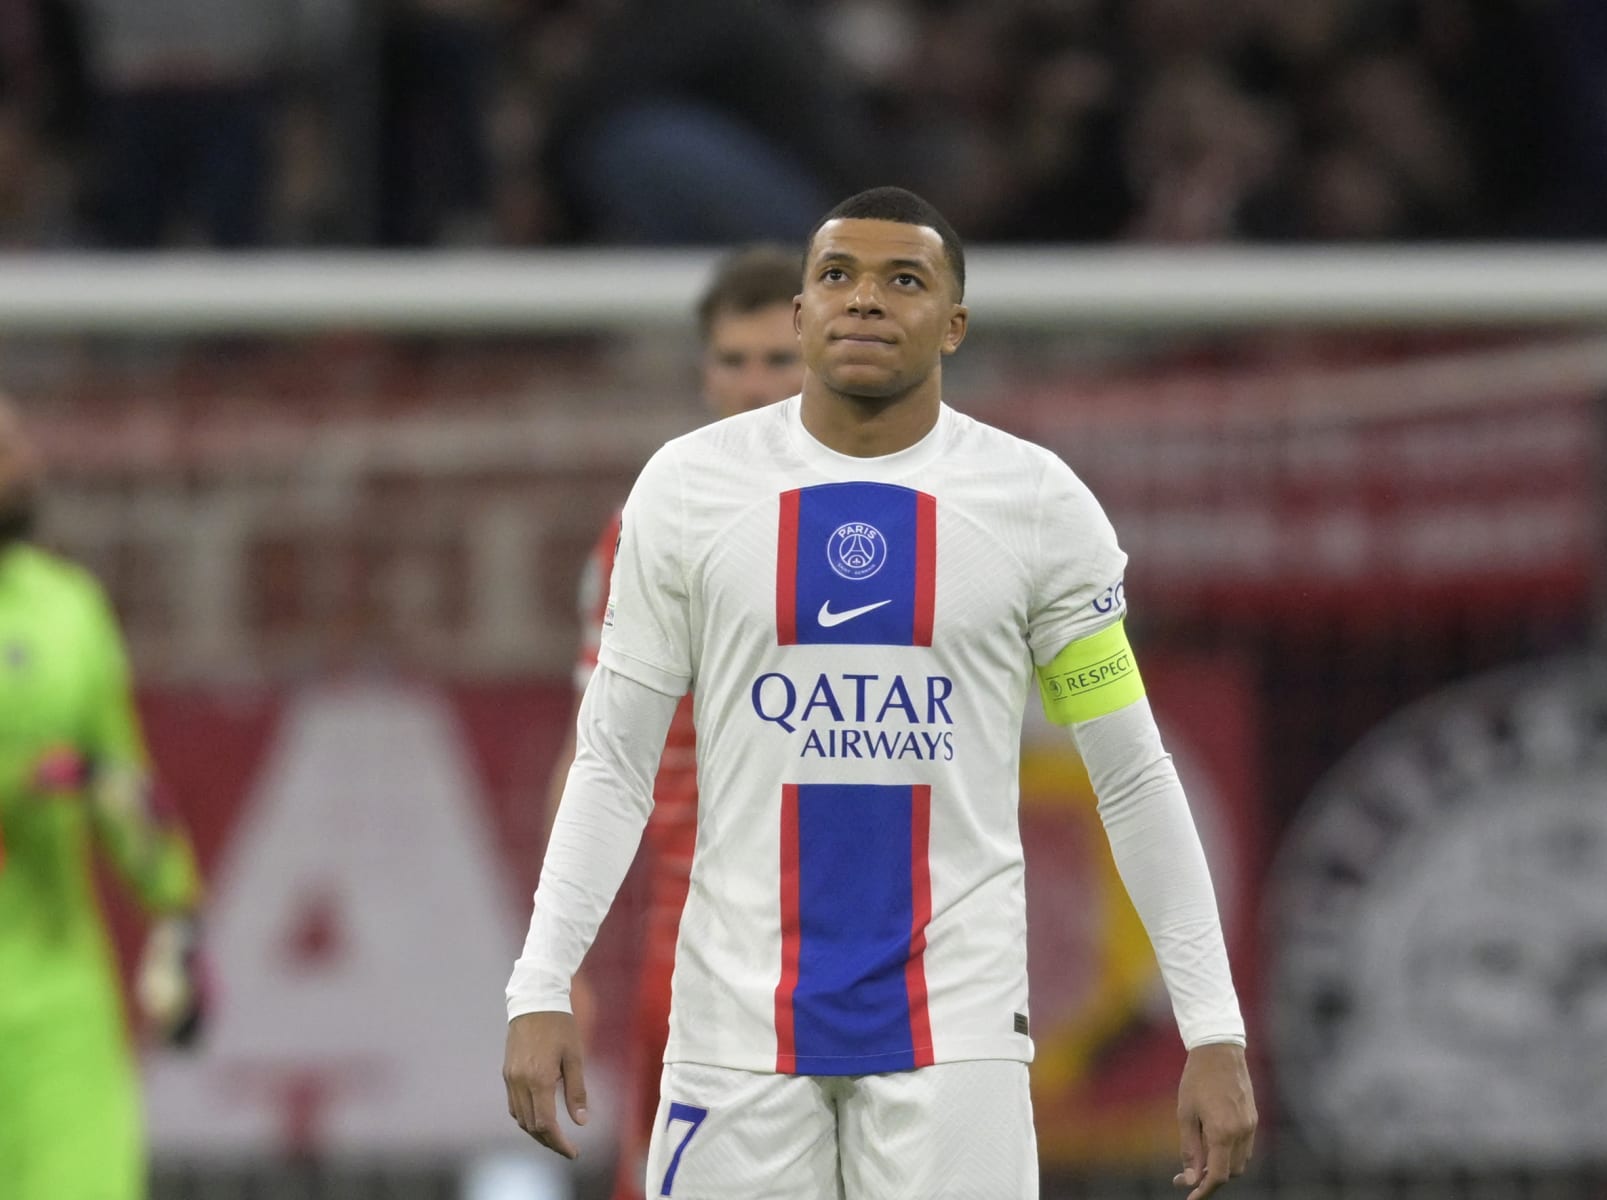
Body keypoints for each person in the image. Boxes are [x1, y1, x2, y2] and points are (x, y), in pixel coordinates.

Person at [504, 187, 1256, 1199]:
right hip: (734, 1024)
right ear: (804, 312)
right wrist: (542, 980)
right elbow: (612, 759)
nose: (865, 300)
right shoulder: (684, 492)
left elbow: (1129, 775)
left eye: (903, 280)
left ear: (953, 323)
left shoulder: (1037, 506)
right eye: (837, 278)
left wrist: (1211, 1026)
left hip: (959, 1035)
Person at [542, 243, 804, 1199]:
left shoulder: (904, 516)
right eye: (733, 360)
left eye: (778, 359)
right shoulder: (653, 527)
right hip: (701, 946)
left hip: (882, 942)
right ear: (704, 372)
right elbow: (595, 750)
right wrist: (555, 955)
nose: (753, 384)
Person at [0, 392, 208, 1199]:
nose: (22, 461)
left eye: (18, 441)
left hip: (59, 1021)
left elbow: (124, 785)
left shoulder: (67, 611)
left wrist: (178, 917)